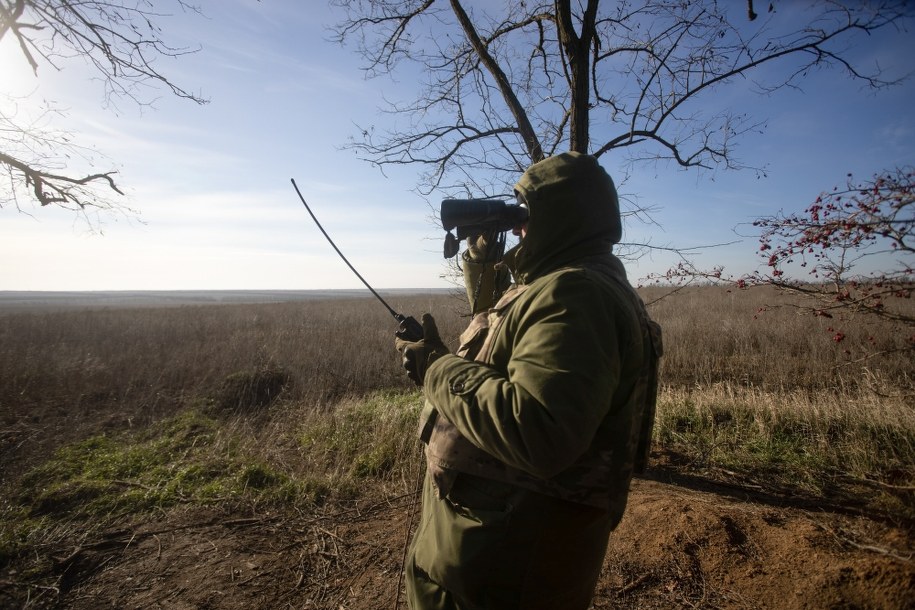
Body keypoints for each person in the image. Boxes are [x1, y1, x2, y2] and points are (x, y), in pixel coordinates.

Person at [394, 151, 662, 610]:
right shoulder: (570, 283)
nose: (518, 225)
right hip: (492, 541)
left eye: (525, 213)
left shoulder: (575, 294)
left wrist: (436, 368)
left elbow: (537, 429)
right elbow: (502, 326)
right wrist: (481, 259)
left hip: (499, 564)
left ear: (561, 217)